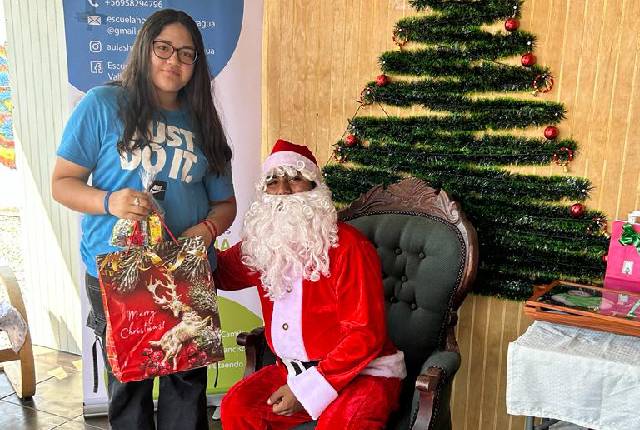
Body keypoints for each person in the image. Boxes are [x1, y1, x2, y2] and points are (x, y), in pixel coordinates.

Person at [51, 9, 236, 430]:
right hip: (119, 272)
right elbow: (62, 183)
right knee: (129, 383)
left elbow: (226, 204)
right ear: (144, 49)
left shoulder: (203, 120)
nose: (174, 61)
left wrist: (206, 231)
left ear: (196, 64)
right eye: (163, 48)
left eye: (186, 53)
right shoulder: (103, 104)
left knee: (186, 383)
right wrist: (109, 200)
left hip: (186, 271)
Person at [216, 139, 406, 429]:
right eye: (273, 181)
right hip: (292, 374)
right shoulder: (261, 245)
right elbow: (218, 273)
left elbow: (364, 334)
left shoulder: (350, 247)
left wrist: (306, 390)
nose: (283, 190)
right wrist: (186, 236)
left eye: (295, 179)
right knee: (238, 408)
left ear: (314, 187)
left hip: (362, 375)